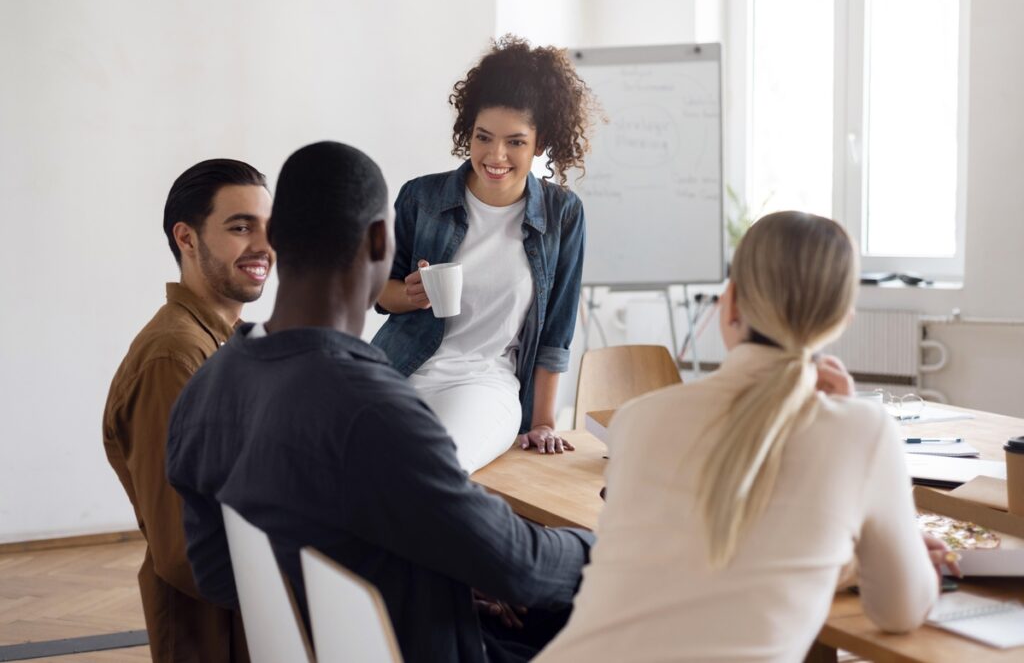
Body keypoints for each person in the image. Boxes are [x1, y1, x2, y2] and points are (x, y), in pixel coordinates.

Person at [165, 141, 594, 663]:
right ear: (378, 241)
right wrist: (621, 542)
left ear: (275, 238)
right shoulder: (371, 408)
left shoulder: (207, 388)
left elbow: (217, 573)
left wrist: (428, 581)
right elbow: (522, 566)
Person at [536, 212, 958, 662]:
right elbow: (898, 610)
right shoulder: (862, 432)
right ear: (842, 319)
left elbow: (687, 568)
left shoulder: (637, 420)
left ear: (730, 302)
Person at [371, 35, 601, 473]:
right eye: (484, 137)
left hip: (483, 384)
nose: (496, 155)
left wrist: (543, 422)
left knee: (432, 470)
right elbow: (381, 292)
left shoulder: (562, 214)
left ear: (539, 142)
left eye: (515, 142)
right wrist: (412, 295)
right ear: (468, 132)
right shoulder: (421, 197)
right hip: (397, 371)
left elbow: (556, 332)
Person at [102, 159, 273, 662]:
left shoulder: (225, 341)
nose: (264, 245)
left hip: (248, 617)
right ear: (187, 238)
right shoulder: (173, 357)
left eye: (270, 226)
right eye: (240, 227)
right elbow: (182, 548)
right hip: (210, 632)